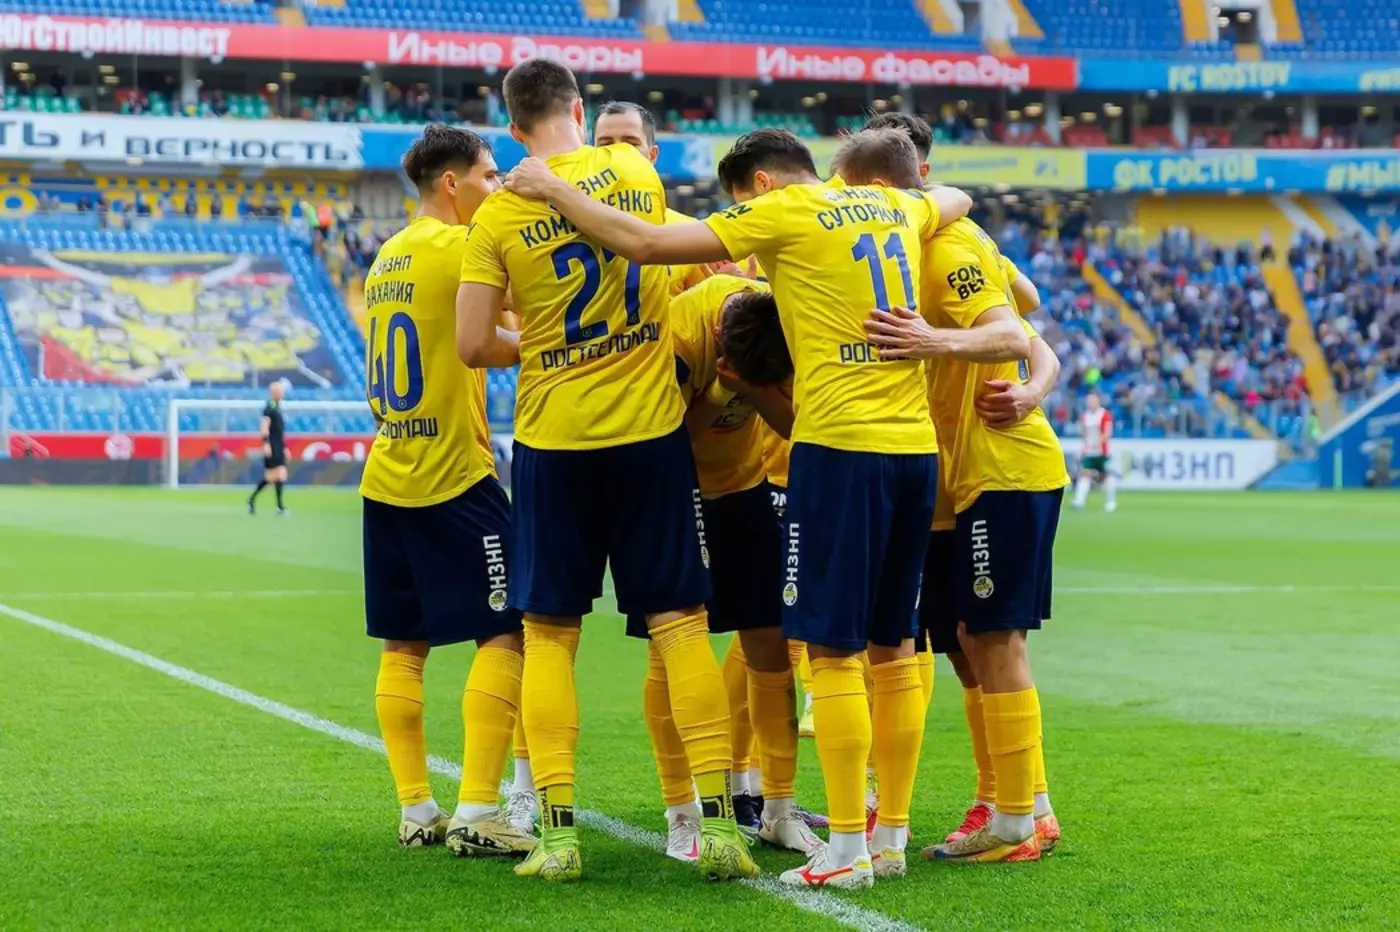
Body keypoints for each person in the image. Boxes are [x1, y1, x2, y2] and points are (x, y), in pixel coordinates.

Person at [504, 127, 972, 889]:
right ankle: (702, 813)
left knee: (806, 650)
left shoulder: (783, 221)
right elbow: (954, 196)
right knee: (864, 648)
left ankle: (809, 822)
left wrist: (552, 188)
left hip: (802, 466)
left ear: (759, 186)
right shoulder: (890, 212)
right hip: (818, 467)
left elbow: (649, 243)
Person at [456, 60, 755, 884]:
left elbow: (473, 344)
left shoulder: (497, 214)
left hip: (554, 440)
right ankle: (719, 827)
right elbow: (653, 249)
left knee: (551, 634)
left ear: (513, 128)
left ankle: (557, 836)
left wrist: (542, 341)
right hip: (650, 434)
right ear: (581, 111)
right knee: (681, 625)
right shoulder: (633, 172)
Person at [849, 139, 1070, 864]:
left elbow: (1012, 330)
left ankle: (1015, 819)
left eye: (847, 188)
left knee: (994, 637)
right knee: (968, 645)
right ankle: (1023, 803)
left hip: (998, 467)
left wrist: (933, 341)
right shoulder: (906, 249)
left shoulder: (948, 244)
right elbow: (1028, 308)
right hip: (952, 478)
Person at [359, 125, 537, 857]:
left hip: (387, 471)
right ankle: (478, 810)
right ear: (451, 183)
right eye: (490, 176)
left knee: (405, 645)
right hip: (453, 474)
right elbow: (513, 325)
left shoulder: (387, 255)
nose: (496, 186)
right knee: (509, 630)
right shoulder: (462, 247)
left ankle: (416, 808)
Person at [627, 274, 821, 860]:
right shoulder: (679, 335)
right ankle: (681, 812)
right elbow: (656, 442)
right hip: (669, 492)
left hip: (744, 488)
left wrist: (756, 392)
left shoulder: (784, 321)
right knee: (671, 647)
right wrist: (716, 393)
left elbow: (795, 424)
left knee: (772, 642)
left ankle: (778, 809)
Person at [1072, 391, 1117, 512]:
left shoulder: (1105, 414)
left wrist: (1096, 443)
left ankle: (1111, 502)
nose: (1090, 403)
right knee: (1085, 474)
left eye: (1092, 400)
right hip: (1090, 453)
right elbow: (1084, 434)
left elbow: (1108, 433)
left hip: (1103, 452)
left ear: (1098, 401)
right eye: (1088, 400)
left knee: (1106, 476)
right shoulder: (1085, 416)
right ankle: (1079, 501)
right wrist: (1085, 446)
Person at [248, 379, 287, 515]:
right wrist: (266, 443)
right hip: (272, 445)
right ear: (275, 392)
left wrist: (284, 447)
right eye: (280, 391)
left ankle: (277, 506)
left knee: (278, 475)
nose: (282, 393)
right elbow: (264, 426)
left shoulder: (278, 407)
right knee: (273, 476)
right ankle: (277, 506)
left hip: (279, 445)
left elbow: (279, 430)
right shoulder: (269, 407)